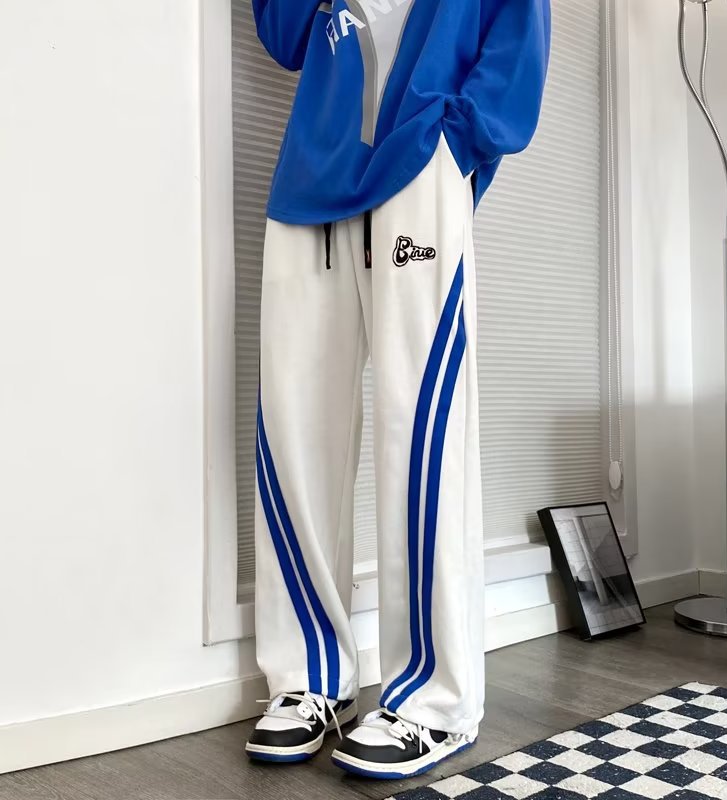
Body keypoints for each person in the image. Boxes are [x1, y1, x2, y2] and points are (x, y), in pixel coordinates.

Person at [245, 0, 550, 779]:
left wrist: (461, 139)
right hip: (315, 165)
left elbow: (519, 28)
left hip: (421, 152)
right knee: (294, 430)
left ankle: (434, 699)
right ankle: (311, 675)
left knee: (422, 430)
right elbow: (284, 35)